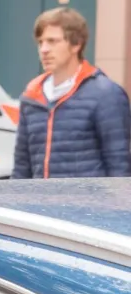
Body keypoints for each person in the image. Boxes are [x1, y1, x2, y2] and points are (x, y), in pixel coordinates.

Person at [13, 7, 131, 179]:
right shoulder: (32, 95)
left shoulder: (105, 95)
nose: (44, 49)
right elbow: (21, 167)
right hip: (40, 204)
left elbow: (119, 167)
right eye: (41, 42)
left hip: (88, 204)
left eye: (53, 41)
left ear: (76, 44)